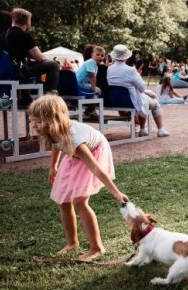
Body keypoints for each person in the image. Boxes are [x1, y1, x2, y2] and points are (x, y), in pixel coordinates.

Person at [28, 95, 129, 261]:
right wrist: (53, 165)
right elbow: (56, 144)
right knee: (64, 202)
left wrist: (116, 192)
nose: (34, 125)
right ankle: (72, 242)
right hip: (72, 153)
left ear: (52, 120)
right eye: (33, 120)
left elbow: (95, 167)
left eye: (37, 121)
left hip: (93, 151)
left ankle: (97, 248)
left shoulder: (75, 138)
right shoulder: (54, 132)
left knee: (80, 201)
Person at [107, 44, 170, 137]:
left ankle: (143, 129)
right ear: (126, 57)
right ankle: (158, 129)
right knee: (154, 103)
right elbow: (142, 87)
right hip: (130, 101)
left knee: (143, 99)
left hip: (114, 100)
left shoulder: (109, 69)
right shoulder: (130, 70)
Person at [3, 8, 59, 93]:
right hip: (21, 69)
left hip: (9, 68)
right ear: (27, 21)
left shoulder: (6, 33)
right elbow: (40, 58)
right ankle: (50, 95)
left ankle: (27, 97)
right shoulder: (23, 35)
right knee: (53, 65)